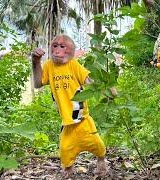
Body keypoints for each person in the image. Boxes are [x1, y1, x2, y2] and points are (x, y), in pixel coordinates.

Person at [32, 35, 107, 178]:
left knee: (97, 144)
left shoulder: (73, 64)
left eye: (62, 46)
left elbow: (89, 81)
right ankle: (68, 170)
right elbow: (37, 83)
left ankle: (101, 161)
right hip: (67, 122)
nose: (57, 51)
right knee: (65, 150)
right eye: (55, 46)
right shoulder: (48, 66)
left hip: (82, 119)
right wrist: (35, 61)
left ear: (71, 51)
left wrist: (107, 89)